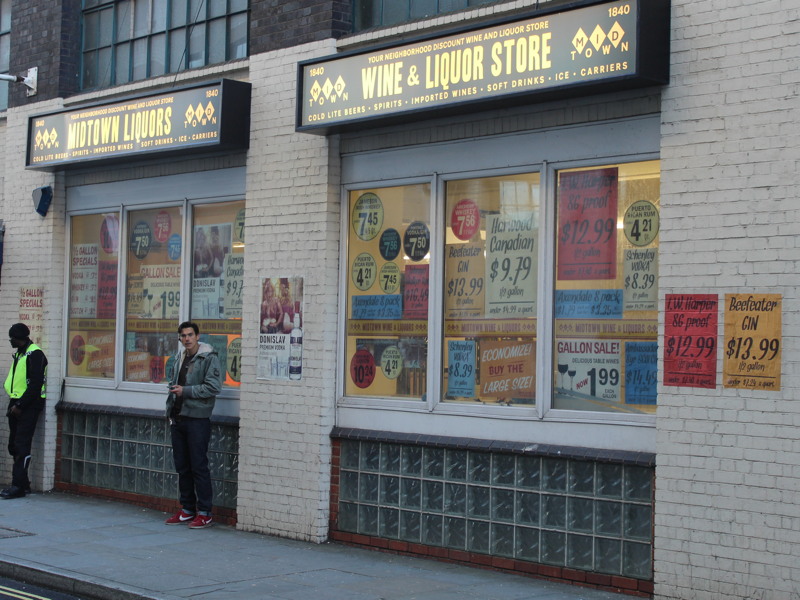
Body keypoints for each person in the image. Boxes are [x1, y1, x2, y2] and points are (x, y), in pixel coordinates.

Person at [164, 322, 221, 528]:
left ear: (197, 336)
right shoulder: (180, 357)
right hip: (178, 418)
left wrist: (185, 391)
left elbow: (213, 387)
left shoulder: (209, 358)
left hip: (197, 420)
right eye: (183, 336)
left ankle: (205, 512)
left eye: (190, 335)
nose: (186, 339)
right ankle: (187, 509)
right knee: (183, 467)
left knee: (198, 466)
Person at [2, 323, 47, 500]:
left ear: (17, 338)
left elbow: (35, 384)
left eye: (11, 338)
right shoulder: (20, 353)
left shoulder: (35, 354)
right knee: (14, 444)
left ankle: (17, 486)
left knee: (21, 446)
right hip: (17, 403)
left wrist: (20, 405)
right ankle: (24, 484)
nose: (10, 341)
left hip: (28, 405)